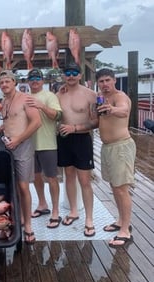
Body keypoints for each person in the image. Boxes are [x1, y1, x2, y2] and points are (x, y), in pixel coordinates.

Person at [0, 70, 41, 243]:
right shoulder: (4, 101)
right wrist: (1, 128)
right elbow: (10, 121)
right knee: (10, 183)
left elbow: (37, 122)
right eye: (1, 82)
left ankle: (28, 225)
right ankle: (18, 217)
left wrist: (18, 139)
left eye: (7, 81)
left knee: (23, 186)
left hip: (22, 145)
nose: (4, 85)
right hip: (6, 145)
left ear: (14, 82)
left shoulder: (25, 98)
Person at [56, 62, 98, 237]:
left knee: (85, 181)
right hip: (64, 139)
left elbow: (96, 122)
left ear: (80, 75)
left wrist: (76, 128)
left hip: (82, 139)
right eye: (67, 72)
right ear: (64, 75)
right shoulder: (58, 94)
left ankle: (89, 219)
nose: (71, 75)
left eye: (74, 72)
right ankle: (74, 211)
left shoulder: (91, 95)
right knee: (69, 176)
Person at [96, 68, 135, 247]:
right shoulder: (100, 98)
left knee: (121, 188)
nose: (104, 84)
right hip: (107, 147)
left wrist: (111, 109)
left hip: (121, 147)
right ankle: (120, 221)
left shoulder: (120, 97)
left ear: (114, 81)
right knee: (114, 186)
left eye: (107, 80)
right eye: (101, 81)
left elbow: (124, 111)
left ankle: (125, 230)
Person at [25, 68, 63, 228]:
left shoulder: (50, 96)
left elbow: (59, 116)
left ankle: (55, 211)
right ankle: (42, 204)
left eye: (38, 78)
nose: (35, 80)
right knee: (36, 177)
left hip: (48, 144)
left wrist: (42, 106)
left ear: (43, 81)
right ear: (27, 81)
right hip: (29, 145)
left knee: (52, 178)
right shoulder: (24, 98)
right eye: (32, 78)